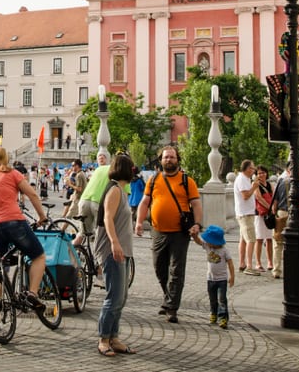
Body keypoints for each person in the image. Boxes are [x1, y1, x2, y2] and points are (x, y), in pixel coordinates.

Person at [0, 146, 49, 311]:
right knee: (38, 256)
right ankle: (32, 294)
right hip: (14, 223)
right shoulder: (13, 174)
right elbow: (33, 194)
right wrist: (41, 216)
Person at [134, 145, 202, 323]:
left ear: (177, 159)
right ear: (161, 160)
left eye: (172, 157)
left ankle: (172, 307)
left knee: (176, 270)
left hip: (180, 232)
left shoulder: (187, 181)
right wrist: (139, 222)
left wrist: (197, 224)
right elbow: (144, 202)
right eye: (166, 157)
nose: (169, 160)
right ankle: (169, 298)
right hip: (158, 231)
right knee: (159, 268)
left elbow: (196, 204)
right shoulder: (154, 180)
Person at [94, 152, 137, 357]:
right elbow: (108, 218)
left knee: (122, 296)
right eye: (132, 168)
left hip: (123, 249)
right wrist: (114, 242)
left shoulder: (121, 190)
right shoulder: (114, 190)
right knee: (114, 296)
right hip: (113, 249)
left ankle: (114, 336)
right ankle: (103, 338)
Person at [193, 224, 235, 328]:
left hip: (222, 280)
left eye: (209, 241)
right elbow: (199, 242)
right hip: (210, 279)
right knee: (212, 299)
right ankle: (213, 313)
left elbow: (230, 263)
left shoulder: (224, 250)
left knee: (222, 299)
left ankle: (223, 317)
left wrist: (232, 276)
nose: (207, 242)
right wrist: (194, 236)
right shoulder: (207, 246)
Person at [74, 151, 110, 248]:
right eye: (100, 156)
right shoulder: (113, 171)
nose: (101, 158)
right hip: (97, 202)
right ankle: (98, 259)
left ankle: (70, 254)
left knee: (82, 233)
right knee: (101, 232)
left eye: (103, 156)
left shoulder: (96, 171)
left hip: (84, 200)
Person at [233, 159, 260, 276]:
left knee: (243, 239)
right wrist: (254, 187)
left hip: (244, 213)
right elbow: (245, 196)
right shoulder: (242, 179)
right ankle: (249, 265)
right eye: (252, 168)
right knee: (251, 239)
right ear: (247, 169)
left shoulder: (244, 179)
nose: (253, 170)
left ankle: (242, 263)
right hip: (245, 214)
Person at [253, 165, 274, 271]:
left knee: (270, 238)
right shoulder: (256, 185)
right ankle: (258, 262)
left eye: (263, 172)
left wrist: (273, 208)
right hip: (260, 213)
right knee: (259, 238)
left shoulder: (270, 184)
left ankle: (270, 262)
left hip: (269, 214)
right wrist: (270, 207)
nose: (261, 175)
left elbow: (274, 196)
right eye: (259, 173)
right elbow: (259, 198)